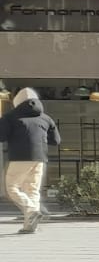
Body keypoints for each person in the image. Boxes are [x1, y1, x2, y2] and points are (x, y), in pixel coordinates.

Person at [1, 87, 62, 234]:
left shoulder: (10, 117)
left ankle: (30, 210)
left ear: (17, 102)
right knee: (32, 190)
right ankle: (29, 225)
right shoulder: (46, 118)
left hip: (19, 158)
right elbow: (56, 140)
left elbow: (1, 136)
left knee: (11, 188)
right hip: (40, 158)